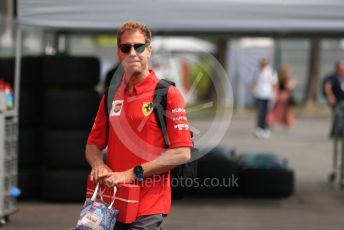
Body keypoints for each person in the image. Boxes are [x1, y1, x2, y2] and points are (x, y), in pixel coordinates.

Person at [85, 21, 192, 230]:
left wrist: (132, 174)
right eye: (126, 48)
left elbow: (182, 153)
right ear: (119, 53)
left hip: (148, 207)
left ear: (149, 51)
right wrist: (98, 165)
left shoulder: (167, 94)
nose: (132, 52)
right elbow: (92, 145)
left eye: (139, 46)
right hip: (111, 202)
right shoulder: (110, 95)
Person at [250, 58, 278, 139]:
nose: (262, 66)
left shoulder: (272, 72)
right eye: (261, 64)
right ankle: (259, 128)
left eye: (264, 64)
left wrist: (274, 95)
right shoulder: (256, 71)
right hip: (259, 95)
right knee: (260, 112)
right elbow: (253, 82)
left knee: (267, 113)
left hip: (268, 95)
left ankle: (266, 128)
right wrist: (253, 91)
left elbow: (274, 84)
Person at [267, 65, 296, 130]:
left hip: (281, 96)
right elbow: (288, 87)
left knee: (277, 111)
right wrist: (293, 84)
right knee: (285, 111)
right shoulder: (284, 79)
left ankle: (272, 122)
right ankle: (287, 124)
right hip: (283, 96)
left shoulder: (280, 78)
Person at [323, 61, 344, 137]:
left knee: (339, 116)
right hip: (337, 100)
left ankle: (334, 132)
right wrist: (330, 97)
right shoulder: (332, 77)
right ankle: (338, 132)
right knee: (339, 115)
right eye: (341, 68)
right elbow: (327, 87)